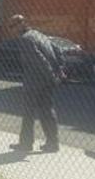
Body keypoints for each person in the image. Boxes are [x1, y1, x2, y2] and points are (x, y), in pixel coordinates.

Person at [7, 14, 64, 153]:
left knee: (28, 112)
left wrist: (52, 76)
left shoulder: (25, 39)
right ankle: (53, 143)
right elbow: (58, 51)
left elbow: (40, 61)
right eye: (11, 27)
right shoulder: (39, 34)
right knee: (46, 110)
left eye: (13, 26)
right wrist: (59, 71)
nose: (12, 30)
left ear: (20, 25)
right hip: (46, 80)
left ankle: (26, 144)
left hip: (35, 80)